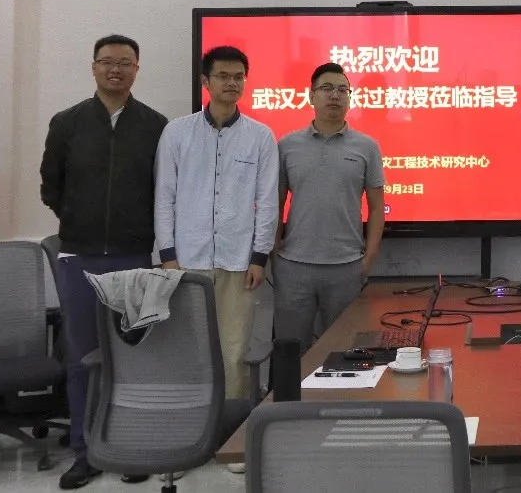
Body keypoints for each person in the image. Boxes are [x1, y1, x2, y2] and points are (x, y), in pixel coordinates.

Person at [40, 34, 166, 489]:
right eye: (107, 62)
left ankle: (131, 447)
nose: (116, 69)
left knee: (134, 356)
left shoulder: (155, 126)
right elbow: (50, 186)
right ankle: (86, 451)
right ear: (93, 67)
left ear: (137, 70)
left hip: (134, 256)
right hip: (80, 256)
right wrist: (82, 221)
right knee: (82, 358)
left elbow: (162, 190)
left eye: (125, 63)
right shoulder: (67, 123)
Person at [155, 45, 278, 400]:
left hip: (238, 262)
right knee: (188, 346)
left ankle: (232, 422)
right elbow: (164, 197)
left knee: (234, 349)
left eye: (239, 77)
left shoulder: (261, 136)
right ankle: (191, 416)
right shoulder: (177, 133)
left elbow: (268, 202)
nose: (232, 83)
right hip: (185, 261)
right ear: (205, 81)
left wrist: (259, 257)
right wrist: (168, 256)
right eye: (223, 76)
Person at [274, 62, 386, 353]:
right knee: (291, 352)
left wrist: (368, 259)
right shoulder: (287, 145)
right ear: (311, 96)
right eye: (326, 88)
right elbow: (275, 202)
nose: (335, 95)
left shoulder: (367, 147)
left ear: (349, 98)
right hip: (294, 267)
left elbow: (377, 207)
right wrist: (274, 252)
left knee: (343, 352)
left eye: (342, 90)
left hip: (346, 268)